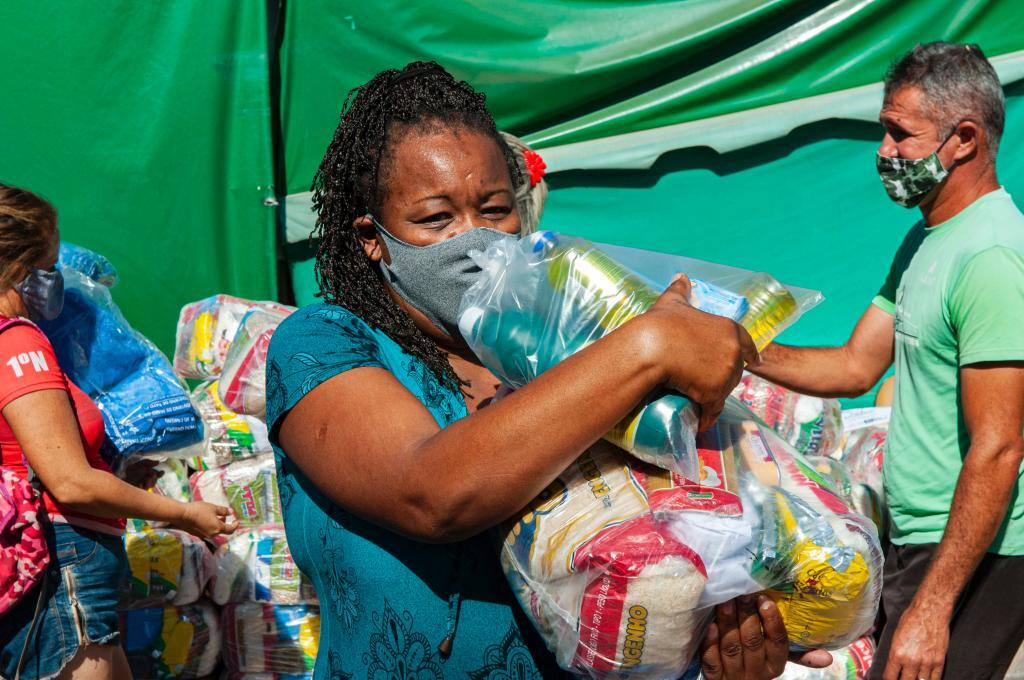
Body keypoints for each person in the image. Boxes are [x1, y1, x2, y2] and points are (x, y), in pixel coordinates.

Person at [266, 61, 831, 678]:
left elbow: (668, 551)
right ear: (372, 238)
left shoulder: (566, 343)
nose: (476, 239)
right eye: (436, 219)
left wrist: (718, 635)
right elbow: (429, 493)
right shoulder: (324, 343)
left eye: (494, 209)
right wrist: (647, 346)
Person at [747, 42, 1024, 680]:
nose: (885, 151)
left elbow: (1000, 448)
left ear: (963, 139)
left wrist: (933, 608)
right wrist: (740, 350)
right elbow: (851, 368)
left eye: (901, 134)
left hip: (976, 560)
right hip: (916, 547)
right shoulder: (925, 240)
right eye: (884, 131)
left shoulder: (990, 257)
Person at [0, 185, 237, 679]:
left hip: (65, 569)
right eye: (48, 266)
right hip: (61, 567)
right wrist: (184, 514)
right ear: (20, 270)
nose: (56, 280)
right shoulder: (18, 341)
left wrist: (122, 478)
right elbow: (69, 482)